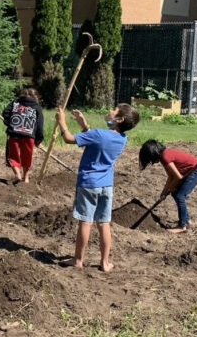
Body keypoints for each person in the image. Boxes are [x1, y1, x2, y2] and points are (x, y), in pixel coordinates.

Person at [55, 103, 140, 271]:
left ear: (119, 119)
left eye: (114, 109)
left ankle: (78, 260)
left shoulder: (98, 134)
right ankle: (105, 262)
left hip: (88, 183)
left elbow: (69, 139)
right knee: (104, 223)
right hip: (106, 185)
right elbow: (97, 140)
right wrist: (84, 125)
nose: (110, 110)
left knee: (85, 222)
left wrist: (62, 122)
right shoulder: (121, 138)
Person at [139, 139, 197, 233]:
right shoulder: (164, 156)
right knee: (175, 194)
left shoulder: (166, 157)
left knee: (179, 195)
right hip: (191, 172)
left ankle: (182, 226)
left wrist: (170, 188)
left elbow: (178, 177)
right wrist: (164, 193)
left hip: (195, 172)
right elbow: (170, 176)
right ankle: (187, 220)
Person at [1, 87, 45, 184]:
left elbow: (5, 113)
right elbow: (39, 124)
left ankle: (17, 174)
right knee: (27, 157)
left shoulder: (15, 103)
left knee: (12, 156)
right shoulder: (37, 107)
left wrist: (10, 123)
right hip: (29, 135)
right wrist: (38, 140)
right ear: (35, 97)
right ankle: (26, 178)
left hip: (14, 133)